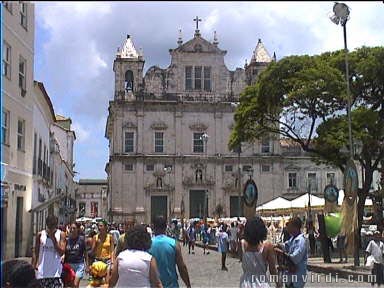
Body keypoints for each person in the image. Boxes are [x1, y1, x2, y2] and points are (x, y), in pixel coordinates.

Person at [149, 216, 191, 288]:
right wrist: (188, 285)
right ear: (165, 227)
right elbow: (181, 267)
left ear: (153, 227)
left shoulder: (148, 244)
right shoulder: (174, 243)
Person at [240, 216, 278, 288]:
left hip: (246, 282)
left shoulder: (242, 244)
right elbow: (272, 269)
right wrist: (278, 283)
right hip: (261, 282)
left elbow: (241, 258)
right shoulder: (267, 246)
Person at [32, 215, 66, 288]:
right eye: (50, 225)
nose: (51, 227)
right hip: (42, 273)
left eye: (53, 225)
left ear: (56, 224)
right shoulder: (40, 234)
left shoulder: (61, 234)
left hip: (56, 274)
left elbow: (61, 252)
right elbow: (36, 252)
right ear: (47, 224)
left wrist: (54, 240)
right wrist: (33, 266)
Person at [275, 217, 308, 288]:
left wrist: (282, 253)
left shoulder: (301, 241)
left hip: (297, 278)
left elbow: (295, 258)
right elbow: (286, 245)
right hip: (290, 278)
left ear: (295, 227)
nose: (288, 229)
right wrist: (277, 245)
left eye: (290, 227)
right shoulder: (293, 239)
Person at [90, 220, 115, 285]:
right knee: (97, 282)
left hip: (107, 261)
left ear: (105, 227)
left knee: (107, 281)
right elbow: (92, 252)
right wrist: (96, 244)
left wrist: (112, 262)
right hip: (98, 260)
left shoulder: (110, 237)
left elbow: (112, 250)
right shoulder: (95, 237)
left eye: (101, 226)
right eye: (98, 226)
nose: (99, 227)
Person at [64, 222, 88, 288]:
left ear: (77, 229)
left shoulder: (81, 240)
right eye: (71, 228)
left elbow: (85, 252)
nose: (72, 230)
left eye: (74, 228)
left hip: (79, 264)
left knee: (75, 284)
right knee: (70, 284)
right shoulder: (67, 240)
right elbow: (64, 252)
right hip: (69, 265)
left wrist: (87, 266)